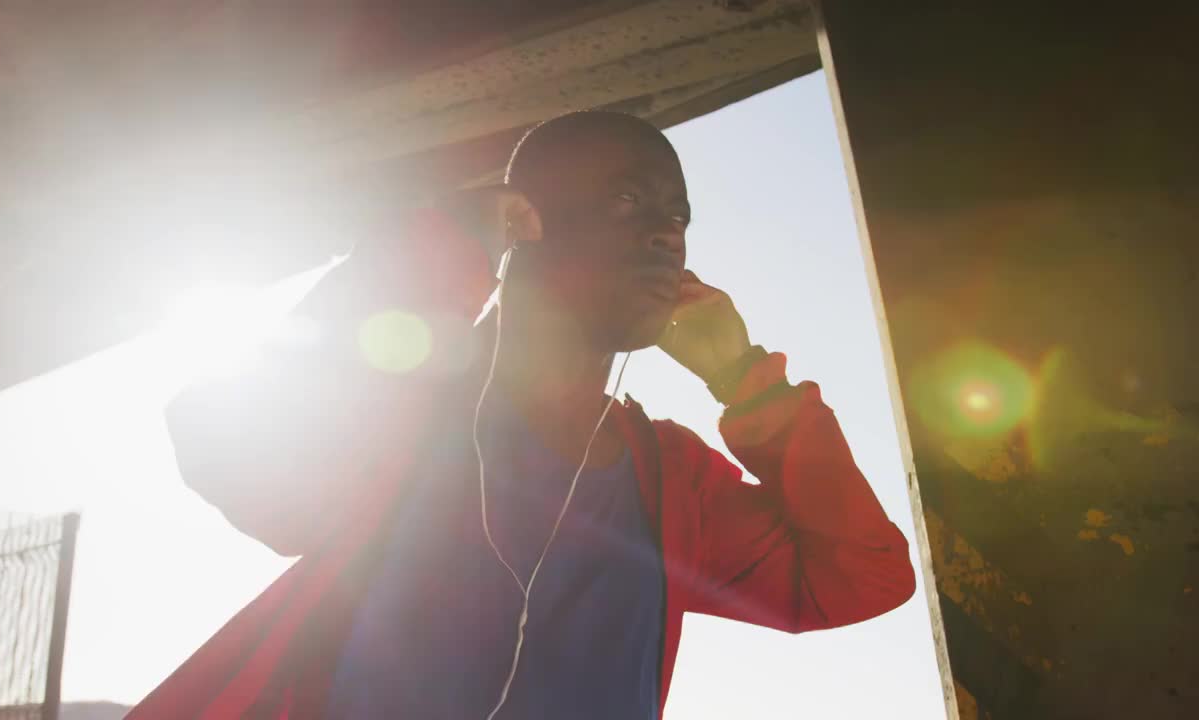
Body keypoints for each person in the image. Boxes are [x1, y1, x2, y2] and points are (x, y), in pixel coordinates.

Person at [128, 111, 915, 719]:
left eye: (678, 216)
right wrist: (428, 257)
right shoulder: (409, 409)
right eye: (628, 198)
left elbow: (859, 581)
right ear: (522, 221)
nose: (665, 233)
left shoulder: (668, 476)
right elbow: (227, 443)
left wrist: (749, 385)